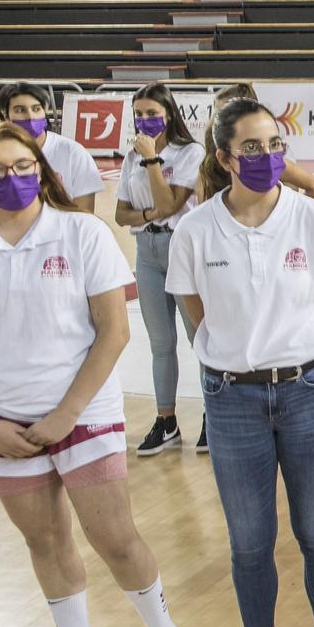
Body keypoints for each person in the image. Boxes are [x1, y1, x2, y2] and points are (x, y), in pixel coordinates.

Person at [0, 121, 202, 627]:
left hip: (82, 413)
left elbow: (114, 331)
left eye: (23, 168)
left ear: (41, 171)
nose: (11, 180)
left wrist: (66, 413)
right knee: (44, 541)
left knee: (116, 539)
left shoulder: (82, 233)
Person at [167, 99, 314, 627]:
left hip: (307, 390)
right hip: (231, 399)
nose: (267, 157)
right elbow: (197, 311)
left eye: (274, 143)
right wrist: (234, 359)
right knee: (250, 541)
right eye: (250, 148)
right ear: (222, 158)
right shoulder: (194, 231)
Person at [115, 84, 204, 457]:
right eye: (139, 114)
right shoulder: (130, 156)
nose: (145, 120)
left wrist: (152, 160)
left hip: (180, 248)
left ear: (169, 113)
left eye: (152, 113)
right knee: (159, 343)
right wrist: (149, 214)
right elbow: (121, 214)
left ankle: (213, 417)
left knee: (199, 339)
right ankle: (166, 421)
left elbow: (171, 204)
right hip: (147, 252)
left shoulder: (190, 152)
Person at [0, 85, 101, 212]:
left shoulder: (74, 153)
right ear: (6, 117)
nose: (30, 117)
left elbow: (85, 215)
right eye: (20, 110)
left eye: (36, 109)